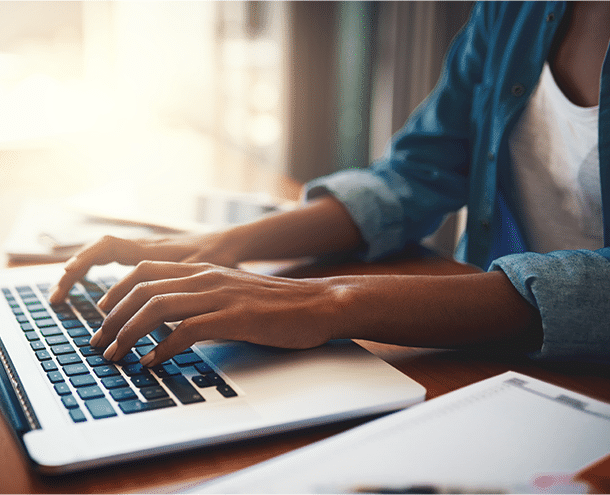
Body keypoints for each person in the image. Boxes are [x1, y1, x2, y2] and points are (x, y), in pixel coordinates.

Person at [49, 1, 610, 368]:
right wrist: (223, 246)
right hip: (483, 357)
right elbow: (416, 173)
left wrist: (328, 301)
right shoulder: (511, 11)